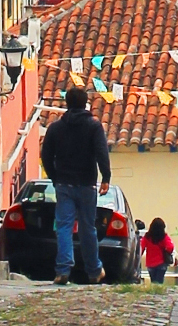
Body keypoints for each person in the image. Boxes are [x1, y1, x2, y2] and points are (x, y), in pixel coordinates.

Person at [39, 86, 111, 284]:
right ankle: (94, 270)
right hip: (87, 184)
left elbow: (45, 155)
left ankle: (63, 270)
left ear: (67, 104)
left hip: (64, 184)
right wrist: (106, 177)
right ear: (85, 103)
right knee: (88, 228)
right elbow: (101, 152)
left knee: (64, 226)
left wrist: (55, 177)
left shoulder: (55, 128)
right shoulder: (94, 126)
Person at [140, 217, 175, 285]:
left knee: (153, 281)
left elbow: (141, 247)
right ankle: (158, 293)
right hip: (161, 263)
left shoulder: (147, 237)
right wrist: (165, 249)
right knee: (159, 281)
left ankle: (154, 293)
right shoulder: (164, 237)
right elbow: (170, 247)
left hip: (150, 263)